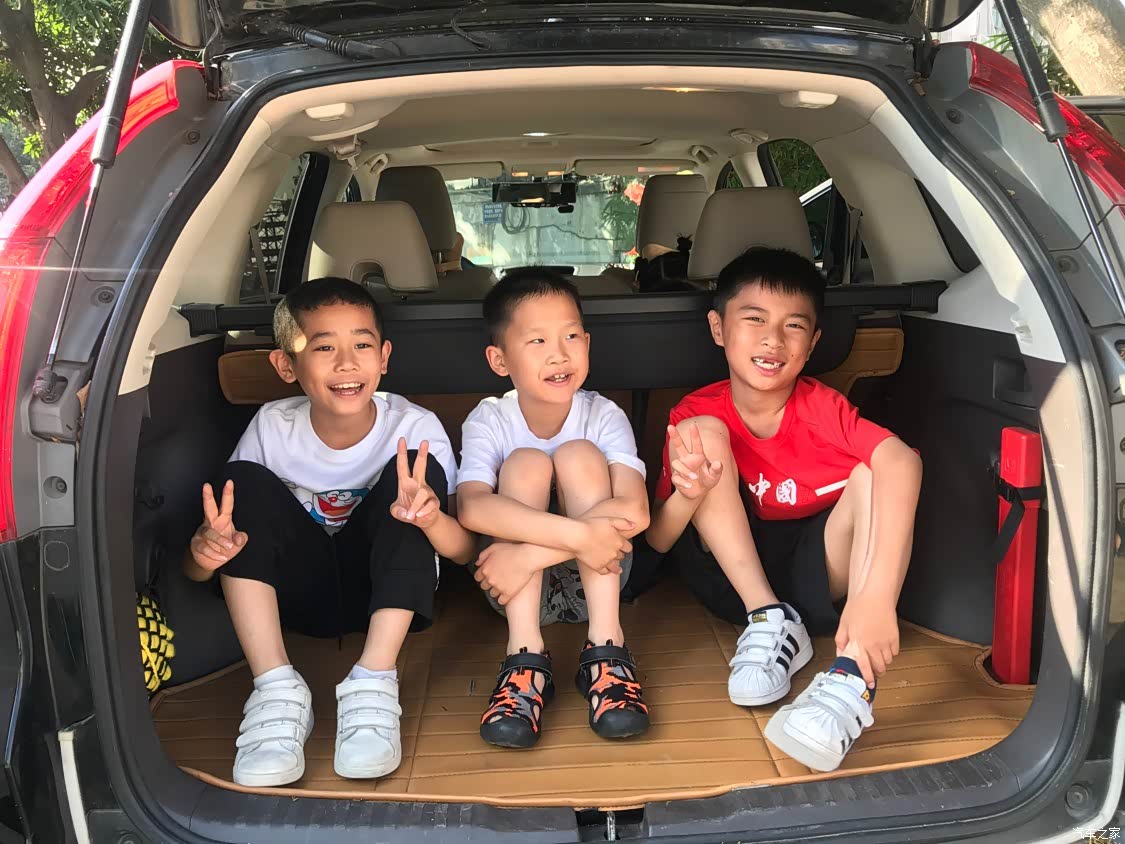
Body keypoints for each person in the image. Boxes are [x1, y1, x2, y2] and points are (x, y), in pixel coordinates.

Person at [183, 277, 474, 787]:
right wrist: (201, 555)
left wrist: (429, 518)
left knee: (409, 488)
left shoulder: (415, 427)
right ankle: (275, 688)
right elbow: (211, 558)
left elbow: (463, 552)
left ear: (384, 357)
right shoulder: (272, 426)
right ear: (286, 365)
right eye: (323, 348)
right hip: (296, 601)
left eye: (361, 345)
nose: (346, 364)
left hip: (388, 597)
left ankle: (373, 681)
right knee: (242, 483)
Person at [646, 247, 922, 772]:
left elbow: (903, 461)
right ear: (719, 328)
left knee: (873, 471)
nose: (773, 339)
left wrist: (875, 600)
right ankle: (770, 618)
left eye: (793, 325)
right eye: (754, 319)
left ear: (813, 342)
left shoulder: (823, 408)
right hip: (733, 582)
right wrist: (690, 492)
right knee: (701, 435)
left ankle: (852, 677)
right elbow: (657, 541)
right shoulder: (694, 412)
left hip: (818, 574)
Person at [457, 268, 652, 748]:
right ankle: (524, 658)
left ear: (587, 342)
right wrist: (579, 536)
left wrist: (526, 555)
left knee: (579, 455)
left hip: (589, 574)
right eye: (538, 340)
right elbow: (472, 508)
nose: (559, 354)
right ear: (499, 359)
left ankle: (607, 649)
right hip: (513, 589)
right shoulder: (489, 419)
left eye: (570, 336)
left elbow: (636, 511)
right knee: (525, 464)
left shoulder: (603, 414)